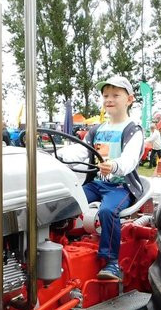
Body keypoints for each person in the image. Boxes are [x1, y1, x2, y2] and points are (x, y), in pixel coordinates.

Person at [58, 75, 144, 280]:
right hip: (96, 184)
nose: (109, 99)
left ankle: (112, 262)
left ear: (129, 99)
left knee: (107, 211)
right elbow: (80, 152)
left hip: (121, 187)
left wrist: (114, 165)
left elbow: (130, 159)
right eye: (106, 95)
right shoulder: (97, 129)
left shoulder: (133, 130)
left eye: (116, 95)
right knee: (64, 203)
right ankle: (60, 245)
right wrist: (57, 156)